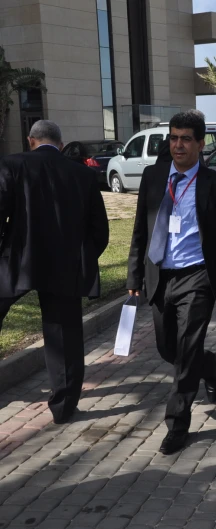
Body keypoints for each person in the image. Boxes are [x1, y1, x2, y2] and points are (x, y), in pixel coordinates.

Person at [127, 110, 216, 455]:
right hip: (160, 274)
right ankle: (208, 365)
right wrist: (134, 274)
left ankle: (177, 424)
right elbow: (141, 229)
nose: (178, 145)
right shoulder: (154, 177)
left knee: (185, 350)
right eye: (173, 138)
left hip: (198, 277)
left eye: (185, 139)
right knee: (169, 348)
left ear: (200, 144)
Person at [0, 120, 109, 424]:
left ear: (30, 140)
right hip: (64, 264)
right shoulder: (83, 175)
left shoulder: (11, 164)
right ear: (60, 145)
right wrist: (81, 258)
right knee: (64, 337)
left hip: (15, 262)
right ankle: (63, 406)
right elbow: (99, 231)